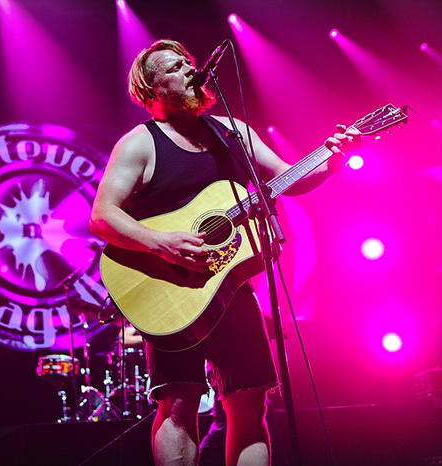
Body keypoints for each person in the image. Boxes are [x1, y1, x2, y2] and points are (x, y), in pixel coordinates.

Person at [89, 39, 360, 466]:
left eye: (188, 62)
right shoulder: (140, 143)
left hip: (231, 289)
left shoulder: (234, 132)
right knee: (179, 402)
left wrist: (333, 161)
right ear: (152, 89)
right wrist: (161, 242)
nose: (188, 68)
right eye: (175, 67)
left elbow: (288, 179)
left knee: (251, 401)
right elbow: (102, 216)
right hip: (169, 289)